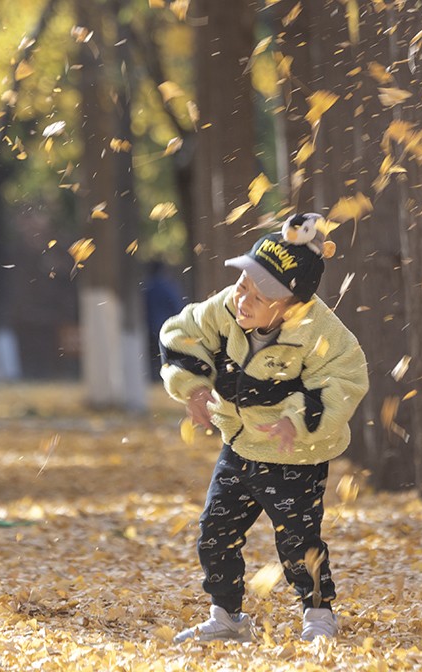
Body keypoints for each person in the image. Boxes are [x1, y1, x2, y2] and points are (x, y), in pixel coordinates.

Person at [159, 213, 369, 644]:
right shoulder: (226, 307)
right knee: (215, 532)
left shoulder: (320, 332)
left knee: (297, 542)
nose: (243, 299)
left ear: (292, 303)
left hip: (295, 455)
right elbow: (180, 332)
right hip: (238, 446)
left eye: (259, 294)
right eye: (242, 284)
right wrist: (193, 387)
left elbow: (345, 380)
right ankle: (227, 616)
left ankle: (318, 613)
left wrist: (297, 417)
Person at [143, 260, 184, 376]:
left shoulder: (147, 288)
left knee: (154, 360)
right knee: (168, 359)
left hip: (150, 329)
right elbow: (177, 307)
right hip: (168, 329)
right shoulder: (168, 286)